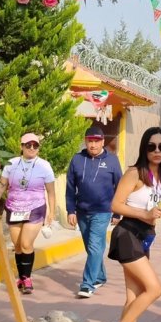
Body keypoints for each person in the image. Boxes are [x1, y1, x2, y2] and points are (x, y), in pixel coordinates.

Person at [103, 127, 161, 322]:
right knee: (154, 289)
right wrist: (144, 213)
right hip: (128, 233)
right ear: (144, 148)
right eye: (152, 146)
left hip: (145, 236)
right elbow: (116, 204)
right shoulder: (134, 173)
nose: (157, 151)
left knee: (133, 296)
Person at [0, 133, 56, 294]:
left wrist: (51, 212)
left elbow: (51, 191)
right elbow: (1, 186)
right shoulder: (11, 164)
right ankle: (21, 277)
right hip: (14, 208)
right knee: (18, 245)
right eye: (28, 145)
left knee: (26, 244)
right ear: (22, 147)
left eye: (35, 145)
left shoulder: (44, 166)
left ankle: (27, 278)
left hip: (35, 208)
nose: (32, 148)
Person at [66, 126, 123, 298]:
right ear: (85, 141)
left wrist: (118, 212)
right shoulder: (77, 159)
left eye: (96, 141)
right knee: (92, 249)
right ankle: (100, 276)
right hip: (82, 210)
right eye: (90, 141)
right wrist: (71, 210)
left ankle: (87, 284)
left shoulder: (112, 160)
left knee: (95, 246)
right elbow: (70, 187)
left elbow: (120, 186)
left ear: (103, 142)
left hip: (103, 211)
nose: (93, 145)